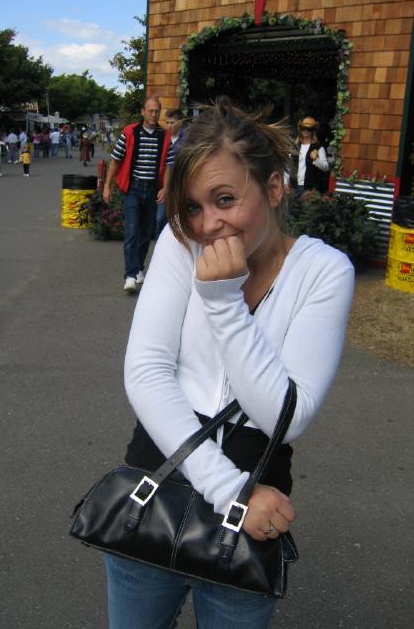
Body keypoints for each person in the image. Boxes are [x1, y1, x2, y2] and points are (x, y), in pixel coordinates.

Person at [104, 98, 354, 628]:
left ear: (274, 188)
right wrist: (230, 491)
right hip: (161, 479)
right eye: (192, 206)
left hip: (256, 505)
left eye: (224, 199)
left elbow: (286, 417)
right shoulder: (180, 243)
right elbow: (146, 372)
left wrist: (222, 303)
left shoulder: (324, 271)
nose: (208, 224)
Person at [102, 95, 174, 293]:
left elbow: (169, 164)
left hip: (152, 189)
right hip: (133, 188)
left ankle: (139, 268)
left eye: (157, 111)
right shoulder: (129, 132)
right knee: (132, 231)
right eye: (150, 111)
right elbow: (116, 160)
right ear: (143, 112)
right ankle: (130, 275)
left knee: (145, 233)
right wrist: (107, 186)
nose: (153, 114)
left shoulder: (165, 136)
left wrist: (165, 188)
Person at [156, 108, 186, 238]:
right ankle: (160, 244)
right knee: (160, 218)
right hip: (164, 186)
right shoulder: (162, 137)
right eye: (167, 122)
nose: (169, 126)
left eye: (172, 122)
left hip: (180, 186)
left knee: (178, 220)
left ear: (181, 122)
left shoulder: (188, 140)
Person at [292, 116, 330, 197]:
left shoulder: (319, 148)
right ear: (300, 129)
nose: (305, 130)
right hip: (293, 186)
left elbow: (326, 167)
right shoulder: (295, 146)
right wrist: (285, 182)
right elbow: (287, 165)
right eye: (303, 128)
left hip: (309, 189)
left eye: (309, 129)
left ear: (313, 130)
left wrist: (316, 159)